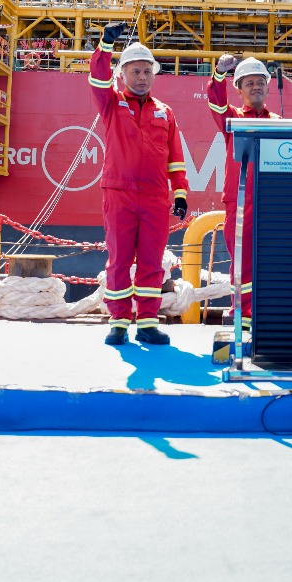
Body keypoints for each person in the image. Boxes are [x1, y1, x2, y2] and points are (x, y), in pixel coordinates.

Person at [88, 23, 188, 347]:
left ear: (154, 75)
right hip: (119, 194)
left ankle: (146, 323)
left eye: (147, 71)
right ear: (122, 74)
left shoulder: (166, 113)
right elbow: (97, 78)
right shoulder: (111, 103)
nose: (142, 76)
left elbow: (175, 159)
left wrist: (181, 193)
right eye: (135, 71)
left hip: (156, 198)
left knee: (151, 261)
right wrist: (105, 44)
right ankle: (118, 321)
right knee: (118, 260)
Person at [208, 53, 279, 329]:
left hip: (273, 203)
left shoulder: (278, 120)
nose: (255, 87)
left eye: (260, 82)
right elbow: (216, 103)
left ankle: (269, 311)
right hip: (240, 200)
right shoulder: (232, 118)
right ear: (238, 89)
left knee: (273, 259)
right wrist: (219, 73)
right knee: (243, 261)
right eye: (248, 83)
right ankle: (245, 315)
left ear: (268, 86)